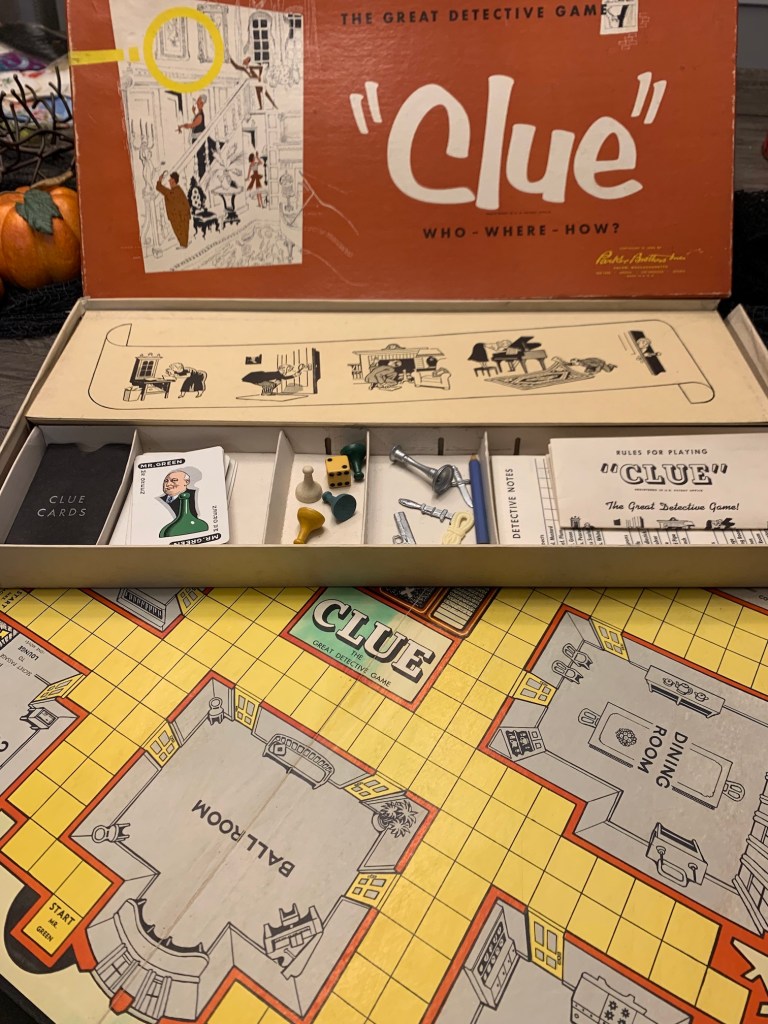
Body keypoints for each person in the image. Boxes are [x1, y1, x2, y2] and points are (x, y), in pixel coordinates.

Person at [155, 171, 191, 248]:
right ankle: (184, 244)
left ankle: (184, 245)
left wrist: (159, 181)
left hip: (180, 216)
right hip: (181, 216)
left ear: (173, 180)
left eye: (170, 179)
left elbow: (163, 190)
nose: (169, 180)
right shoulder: (176, 190)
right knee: (181, 231)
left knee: (180, 231)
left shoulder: (176, 191)